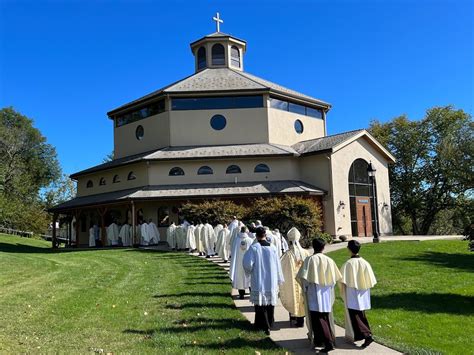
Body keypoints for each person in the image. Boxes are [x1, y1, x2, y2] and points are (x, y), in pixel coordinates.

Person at [297, 238, 342, 353]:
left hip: (314, 293)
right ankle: (320, 340)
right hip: (326, 292)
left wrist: (305, 288)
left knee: (318, 318)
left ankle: (328, 342)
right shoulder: (329, 260)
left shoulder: (309, 260)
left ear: (313, 246)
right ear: (324, 247)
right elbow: (334, 278)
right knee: (325, 316)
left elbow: (303, 278)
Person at [243, 226, 284, 335]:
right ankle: (270, 323)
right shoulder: (273, 248)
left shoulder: (254, 248)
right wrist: (279, 277)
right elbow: (277, 264)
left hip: (259, 278)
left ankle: (262, 325)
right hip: (271, 280)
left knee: (260, 304)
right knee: (270, 303)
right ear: (265, 235)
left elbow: (247, 264)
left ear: (256, 236)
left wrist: (250, 270)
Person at [339, 240, 377, 348]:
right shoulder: (365, 262)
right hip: (363, 291)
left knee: (355, 315)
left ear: (349, 249)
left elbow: (341, 279)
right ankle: (360, 335)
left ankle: (367, 335)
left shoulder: (348, 264)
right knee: (361, 314)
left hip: (352, 292)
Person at [279, 227, 310, 327]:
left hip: (293, 281)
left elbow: (282, 269)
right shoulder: (306, 253)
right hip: (303, 280)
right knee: (303, 298)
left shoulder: (288, 255)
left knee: (293, 297)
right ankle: (302, 318)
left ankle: (295, 317)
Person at [229, 226, 253, 299]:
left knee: (240, 277)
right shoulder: (250, 240)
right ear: (246, 231)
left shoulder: (236, 240)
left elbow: (233, 252)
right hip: (248, 262)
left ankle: (241, 294)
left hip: (238, 263)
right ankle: (251, 293)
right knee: (249, 277)